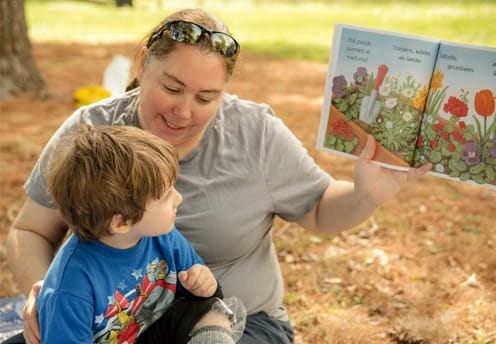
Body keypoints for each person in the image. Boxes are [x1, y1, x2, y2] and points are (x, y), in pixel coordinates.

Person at [5, 7, 432, 344]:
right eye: (171, 87)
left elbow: (319, 211)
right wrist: (44, 295)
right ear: (143, 65)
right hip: (117, 325)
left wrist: (366, 195)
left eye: (206, 97)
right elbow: (31, 231)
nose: (183, 111)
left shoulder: (256, 133)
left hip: (236, 323)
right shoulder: (91, 132)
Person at [19, 124, 245, 344]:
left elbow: (200, 299)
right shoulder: (71, 288)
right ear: (121, 222)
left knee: (210, 311)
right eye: (166, 196)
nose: (179, 199)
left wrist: (204, 284)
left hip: (150, 331)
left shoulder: (162, 235)